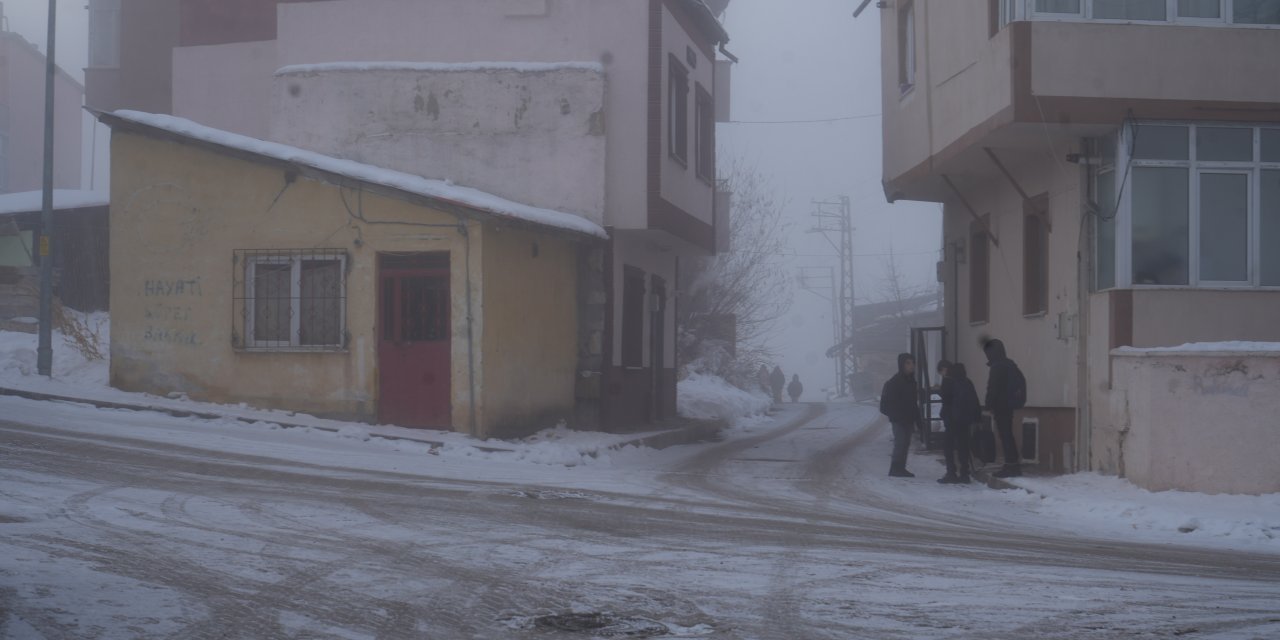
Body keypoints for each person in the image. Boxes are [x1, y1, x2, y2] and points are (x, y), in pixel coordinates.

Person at [984, 338, 1023, 478]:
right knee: (1008, 435)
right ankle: (1012, 464)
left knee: (1005, 435)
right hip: (1009, 404)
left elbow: (992, 388)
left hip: (1001, 406)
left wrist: (988, 404)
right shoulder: (1009, 364)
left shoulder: (997, 367)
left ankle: (1011, 465)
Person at [879, 353, 921, 478]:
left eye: (913, 362)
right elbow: (889, 404)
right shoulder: (894, 382)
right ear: (902, 365)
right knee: (900, 442)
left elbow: (913, 403)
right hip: (898, 420)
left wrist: (918, 419)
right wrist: (896, 416)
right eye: (908, 363)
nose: (911, 365)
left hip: (908, 419)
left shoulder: (912, 382)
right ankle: (895, 468)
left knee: (905, 443)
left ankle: (901, 468)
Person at [937, 363, 979, 484]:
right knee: (963, 446)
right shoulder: (967, 382)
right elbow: (974, 400)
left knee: (948, 446)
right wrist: (976, 418)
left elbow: (945, 400)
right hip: (965, 420)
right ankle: (964, 474)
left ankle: (951, 473)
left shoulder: (948, 381)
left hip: (951, 420)